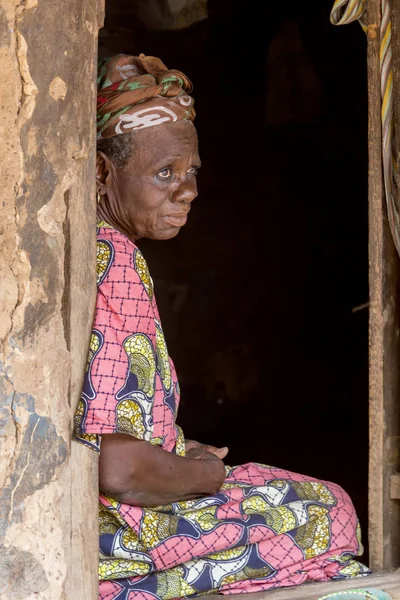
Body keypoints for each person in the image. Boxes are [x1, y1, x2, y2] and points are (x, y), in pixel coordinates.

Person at [74, 53, 369, 600]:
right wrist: (204, 476)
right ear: (100, 172)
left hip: (123, 517)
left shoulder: (100, 254)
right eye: (165, 173)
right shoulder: (114, 266)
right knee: (330, 513)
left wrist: (179, 454)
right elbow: (119, 470)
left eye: (191, 173)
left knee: (296, 498)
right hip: (123, 533)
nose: (187, 191)